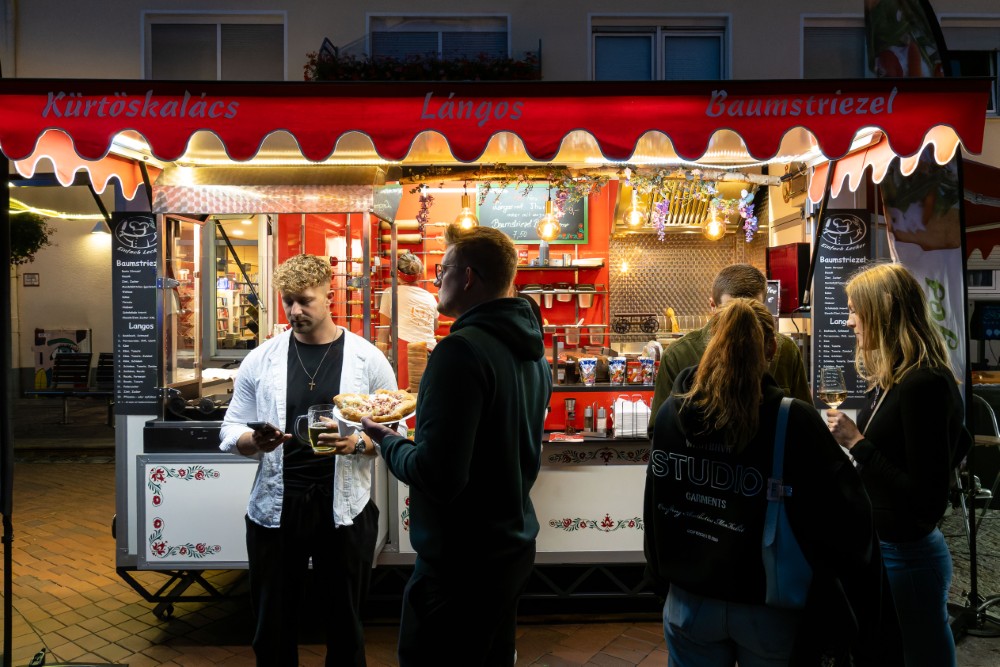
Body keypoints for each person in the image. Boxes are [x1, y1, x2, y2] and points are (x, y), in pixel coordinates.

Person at [644, 298, 880, 666]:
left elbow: (655, 505)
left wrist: (662, 580)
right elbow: (848, 512)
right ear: (771, 348)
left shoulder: (670, 414)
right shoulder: (793, 419)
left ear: (710, 344)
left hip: (688, 600)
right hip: (767, 602)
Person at [361, 224, 552, 666]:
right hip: (511, 548)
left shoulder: (459, 352)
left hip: (460, 565)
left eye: (441, 269)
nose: (435, 279)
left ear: (467, 277)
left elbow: (438, 476)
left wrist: (387, 439)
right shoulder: (533, 350)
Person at [220, 253, 399, 667]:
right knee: (273, 624)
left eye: (305, 301)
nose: (295, 311)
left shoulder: (367, 358)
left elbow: (396, 435)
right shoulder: (261, 360)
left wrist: (356, 445)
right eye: (288, 302)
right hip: (277, 509)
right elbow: (230, 431)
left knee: (346, 622)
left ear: (329, 297)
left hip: (345, 508)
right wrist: (255, 440)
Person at [827, 262, 969, 667]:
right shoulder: (898, 376)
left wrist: (858, 444)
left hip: (908, 557)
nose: (851, 321)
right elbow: (955, 445)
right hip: (889, 551)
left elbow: (926, 499)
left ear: (884, 308)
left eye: (856, 310)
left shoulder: (921, 383)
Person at [648, 264, 810, 437]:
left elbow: (805, 424)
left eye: (753, 310)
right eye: (730, 311)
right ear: (712, 306)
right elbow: (660, 431)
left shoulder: (785, 350)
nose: (739, 320)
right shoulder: (678, 354)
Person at [377, 250, 438, 391]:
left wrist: (380, 363)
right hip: (432, 352)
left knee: (408, 401)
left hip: (408, 352)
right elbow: (434, 327)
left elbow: (383, 332)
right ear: (420, 275)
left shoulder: (390, 293)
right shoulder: (430, 297)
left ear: (397, 274)